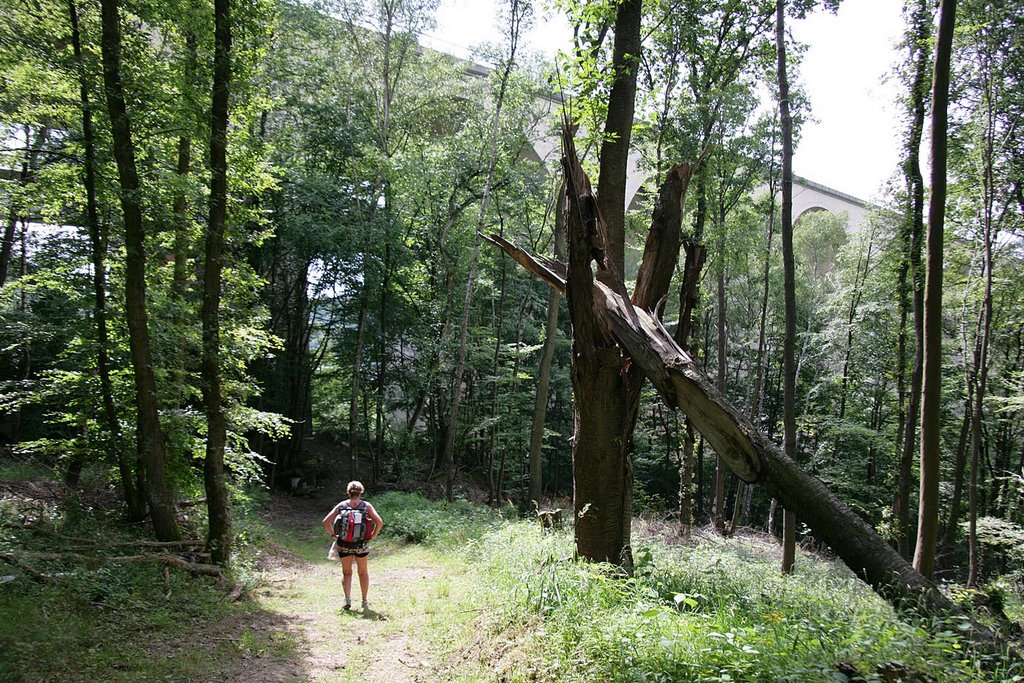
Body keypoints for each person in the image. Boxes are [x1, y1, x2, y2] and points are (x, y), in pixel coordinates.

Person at [322, 480, 384, 611]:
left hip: (344, 544)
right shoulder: (366, 506)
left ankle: (347, 599)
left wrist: (333, 535)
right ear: (361, 491)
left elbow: (326, 522)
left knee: (347, 573)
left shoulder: (342, 505)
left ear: (348, 492)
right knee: (363, 573)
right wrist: (373, 535)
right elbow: (379, 522)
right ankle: (364, 601)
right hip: (361, 545)